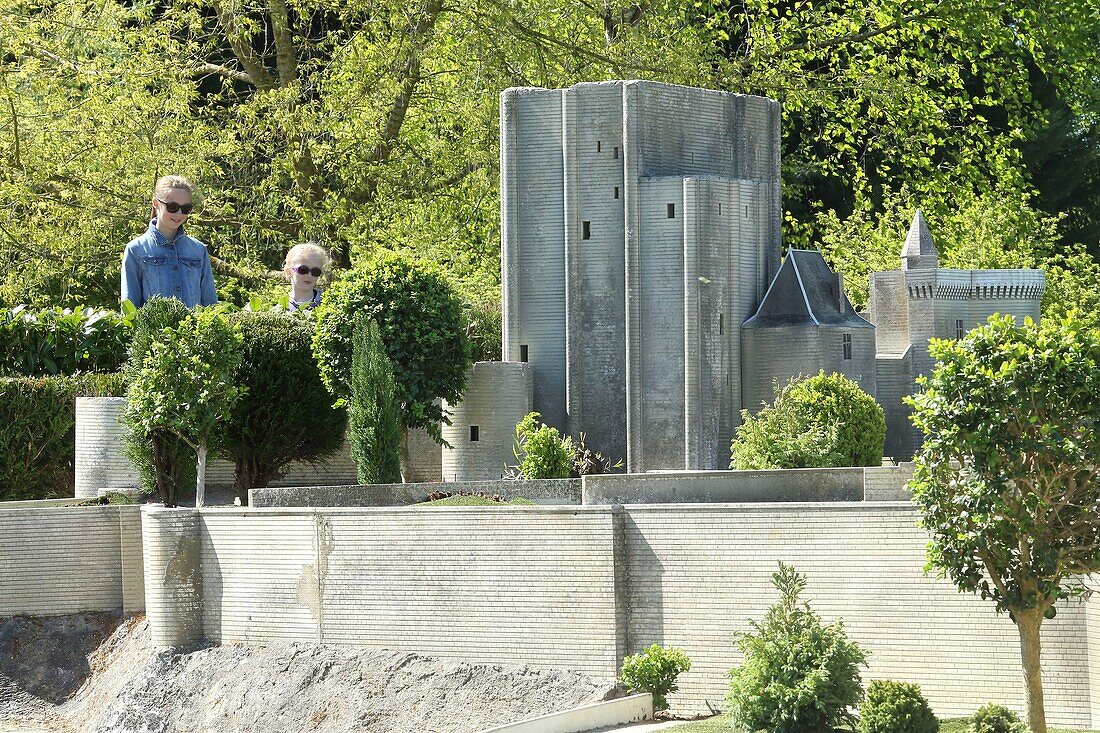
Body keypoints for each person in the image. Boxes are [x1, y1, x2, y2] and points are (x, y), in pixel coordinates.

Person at [121, 175, 217, 309]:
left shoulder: (199, 250)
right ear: (155, 203)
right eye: (172, 207)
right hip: (153, 330)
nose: (178, 214)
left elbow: (211, 307)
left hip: (195, 330)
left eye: (185, 209)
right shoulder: (136, 250)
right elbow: (129, 310)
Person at [283, 242, 327, 311]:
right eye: (303, 270)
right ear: (288, 272)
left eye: (315, 271)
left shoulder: (327, 304)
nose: (309, 275)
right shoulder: (280, 308)